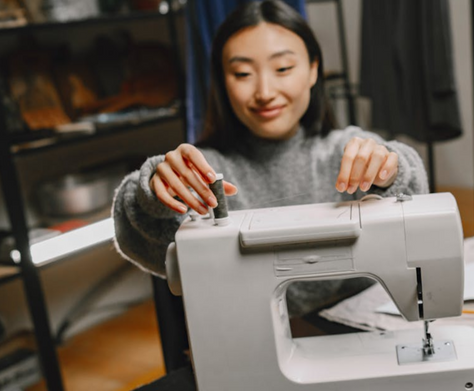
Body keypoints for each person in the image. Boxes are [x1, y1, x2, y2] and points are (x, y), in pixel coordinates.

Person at [113, 0, 428, 316]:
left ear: (313, 70)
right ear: (222, 81)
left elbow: (415, 205)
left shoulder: (351, 152)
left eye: (283, 69)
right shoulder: (202, 173)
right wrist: (152, 194)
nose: (265, 91)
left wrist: (392, 171)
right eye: (242, 73)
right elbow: (152, 247)